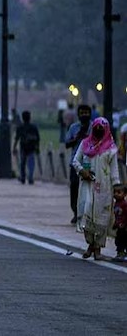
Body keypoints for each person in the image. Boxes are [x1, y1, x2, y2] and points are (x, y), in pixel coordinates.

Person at [71, 118, 121, 260]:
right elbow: (75, 160)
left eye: (101, 128)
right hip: (87, 185)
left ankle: (97, 248)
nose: (99, 130)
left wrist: (117, 187)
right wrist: (82, 171)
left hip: (104, 187)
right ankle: (90, 244)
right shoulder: (85, 144)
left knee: (102, 217)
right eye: (96, 127)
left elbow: (114, 170)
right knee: (87, 212)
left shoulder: (111, 149)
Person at [65, 105, 94, 224]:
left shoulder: (94, 127)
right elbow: (67, 143)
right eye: (82, 113)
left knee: (90, 189)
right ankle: (76, 212)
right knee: (75, 188)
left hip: (90, 162)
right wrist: (77, 138)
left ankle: (88, 213)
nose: (84, 115)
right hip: (75, 163)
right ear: (78, 114)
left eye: (86, 113)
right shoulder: (73, 127)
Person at [14, 111, 41, 185]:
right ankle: (30, 177)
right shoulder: (34, 127)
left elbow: (17, 138)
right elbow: (38, 138)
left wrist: (14, 147)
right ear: (30, 117)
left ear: (23, 118)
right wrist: (37, 148)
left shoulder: (20, 127)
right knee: (31, 163)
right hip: (32, 147)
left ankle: (23, 177)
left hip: (23, 147)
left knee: (22, 163)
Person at [113, 183, 127, 261]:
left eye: (119, 192)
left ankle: (122, 253)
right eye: (114, 192)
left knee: (123, 240)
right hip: (119, 226)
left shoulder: (124, 204)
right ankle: (120, 253)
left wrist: (124, 224)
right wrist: (115, 223)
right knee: (118, 240)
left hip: (124, 227)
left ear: (124, 194)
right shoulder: (116, 204)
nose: (116, 194)